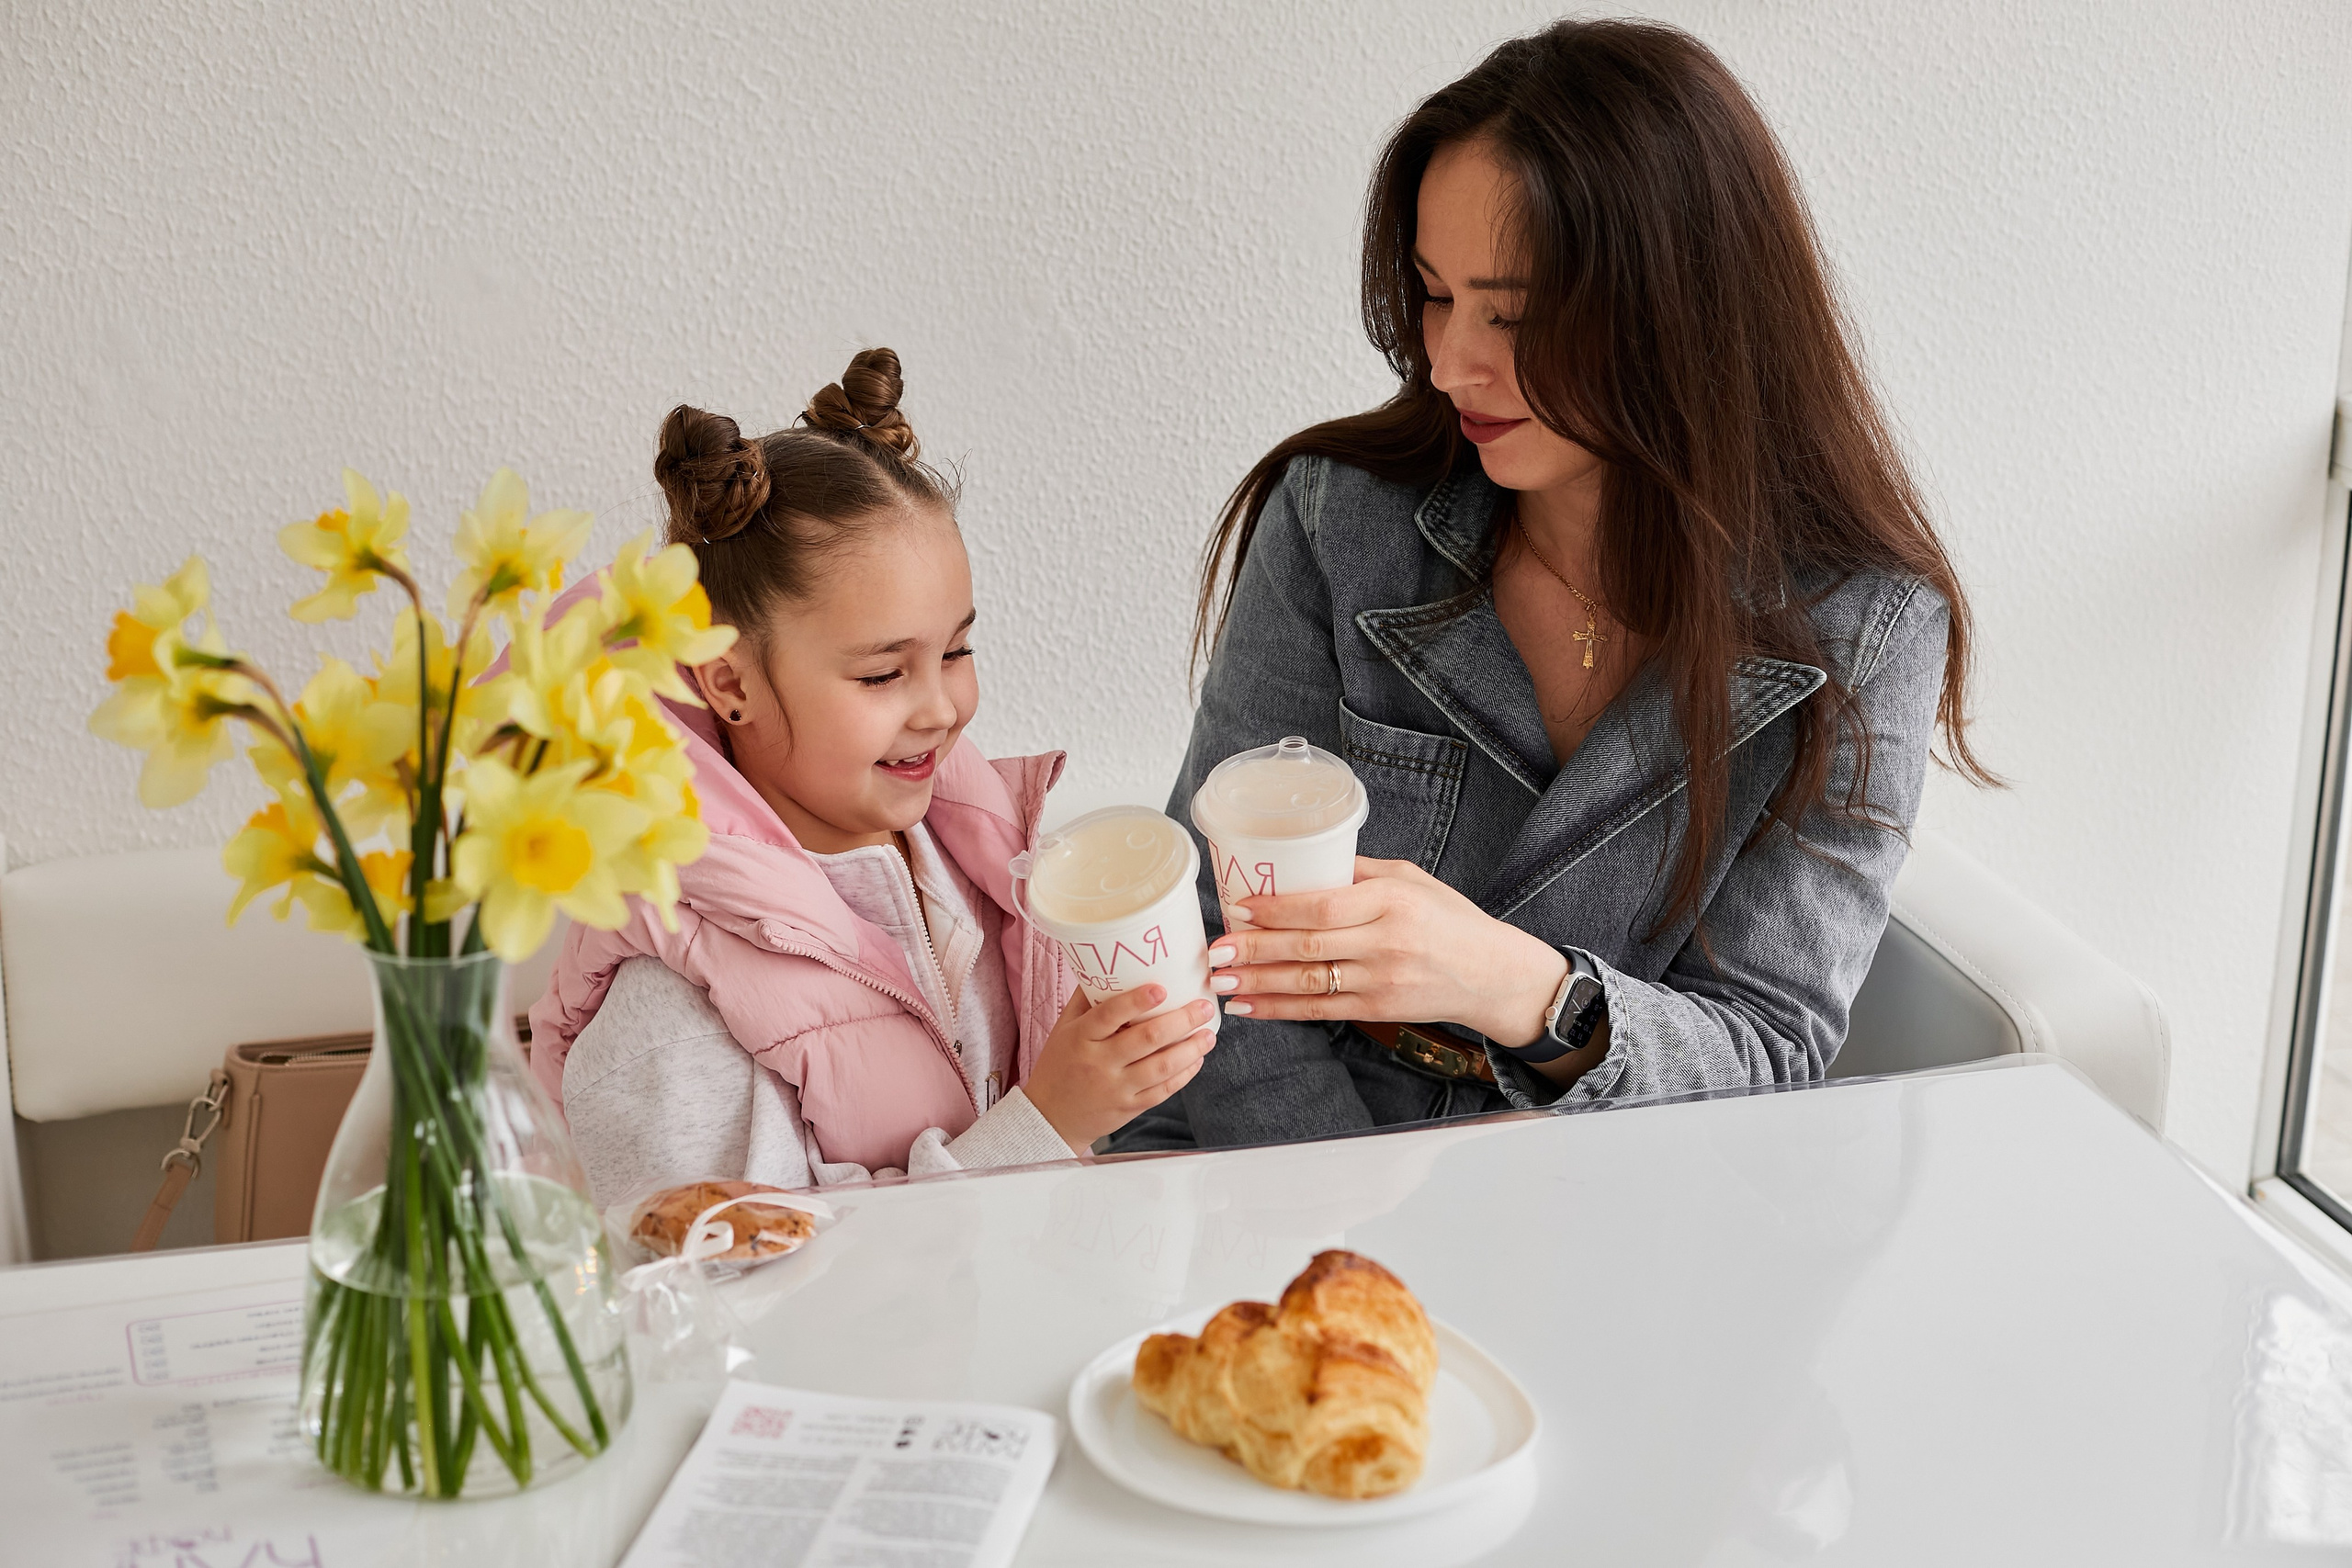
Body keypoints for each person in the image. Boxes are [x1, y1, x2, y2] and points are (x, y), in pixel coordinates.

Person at [1114, 19, 1991, 1153]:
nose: (1448, 364)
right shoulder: (1340, 521)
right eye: (1433, 295)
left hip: (1611, 1191)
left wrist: (1522, 989)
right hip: (1274, 1161)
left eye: (1513, 317)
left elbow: (1766, 1051)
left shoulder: (1864, 629)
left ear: (1676, 316)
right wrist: (1345, 1215)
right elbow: (1213, 934)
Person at [529, 350, 1217, 1199]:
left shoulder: (979, 874)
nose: (941, 707)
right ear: (730, 683)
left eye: (956, 650)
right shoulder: (674, 1014)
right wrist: (1047, 1123)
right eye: (883, 674)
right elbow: (726, 1273)